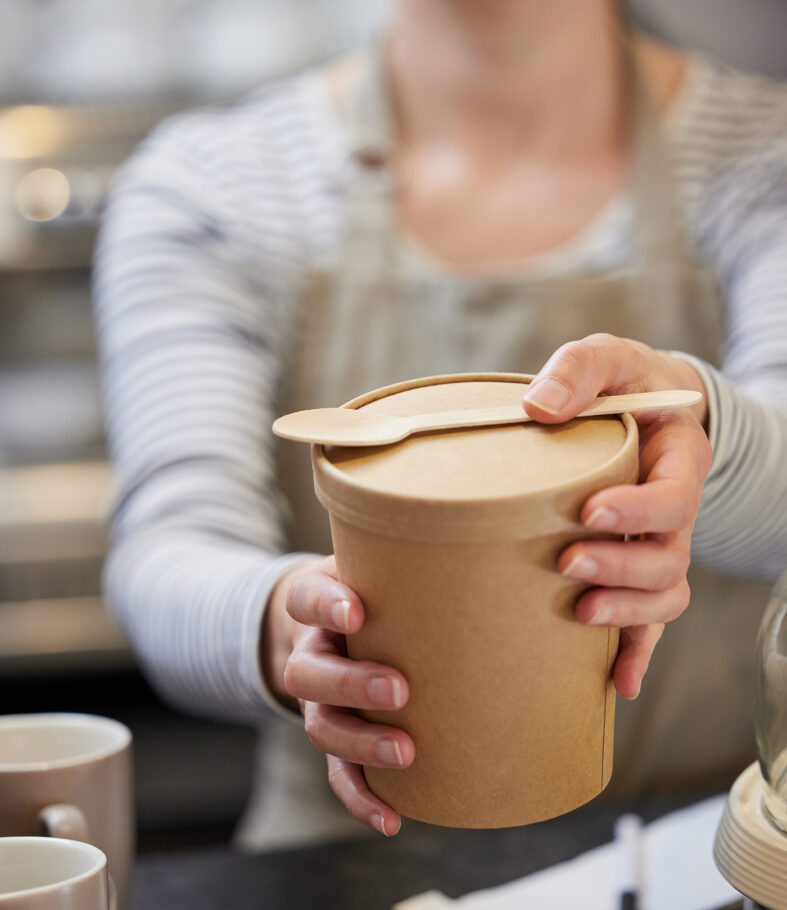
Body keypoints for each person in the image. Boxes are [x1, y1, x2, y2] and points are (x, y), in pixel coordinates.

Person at [94, 0, 787, 848]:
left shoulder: (763, 158)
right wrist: (290, 625)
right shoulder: (216, 186)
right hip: (344, 877)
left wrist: (701, 426)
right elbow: (167, 552)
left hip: (695, 872)